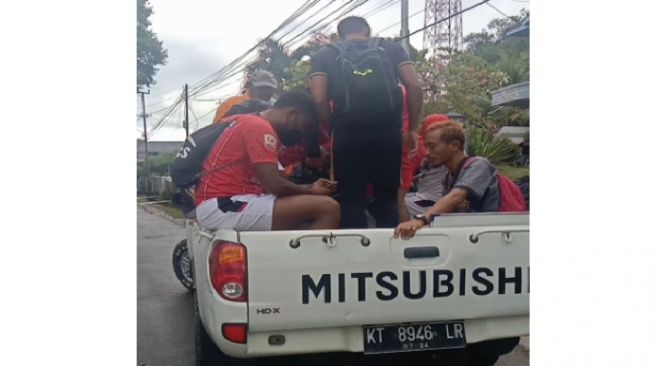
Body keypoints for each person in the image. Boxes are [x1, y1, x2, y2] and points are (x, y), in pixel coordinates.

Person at [308, 16, 422, 229]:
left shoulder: (326, 54)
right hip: (388, 133)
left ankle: (357, 257)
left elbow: (319, 98)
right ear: (367, 30)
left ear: (340, 34)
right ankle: (389, 253)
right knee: (387, 199)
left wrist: (332, 128)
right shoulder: (391, 48)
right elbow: (414, 87)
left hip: (347, 134)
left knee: (351, 199)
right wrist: (413, 128)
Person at [195, 90, 340, 231]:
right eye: (304, 125)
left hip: (226, 202)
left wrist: (309, 189)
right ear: (293, 115)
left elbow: (281, 179)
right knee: (328, 208)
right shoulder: (259, 127)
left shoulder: (252, 123)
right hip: (224, 204)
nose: (301, 133)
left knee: (304, 215)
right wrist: (311, 189)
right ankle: (307, 256)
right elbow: (274, 185)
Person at [395, 121, 500, 239]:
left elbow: (456, 196)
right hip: (466, 235)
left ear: (454, 145)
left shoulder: (479, 165)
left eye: (432, 146)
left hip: (489, 236)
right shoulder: (448, 177)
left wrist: (421, 220)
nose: (427, 153)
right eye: (426, 147)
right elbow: (447, 212)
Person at [398, 114, 450, 222]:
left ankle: (407, 233)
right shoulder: (427, 151)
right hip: (423, 194)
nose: (427, 151)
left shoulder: (450, 153)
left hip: (435, 200)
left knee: (393, 204)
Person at [212, 69, 278, 123]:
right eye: (262, 88)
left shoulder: (275, 107)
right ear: (249, 85)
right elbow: (218, 128)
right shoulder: (235, 102)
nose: (266, 92)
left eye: (269, 89)